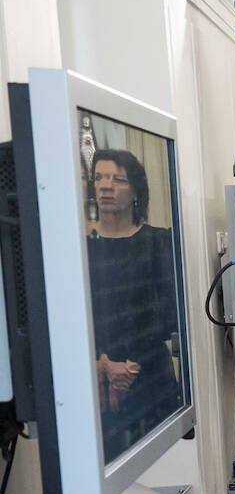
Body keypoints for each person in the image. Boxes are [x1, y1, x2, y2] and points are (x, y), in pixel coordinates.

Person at [85, 146, 182, 461]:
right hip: (96, 383)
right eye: (99, 177)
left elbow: (168, 316)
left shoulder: (158, 242)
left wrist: (128, 368)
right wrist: (103, 366)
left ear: (136, 191)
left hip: (150, 378)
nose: (105, 185)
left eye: (118, 179)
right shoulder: (81, 246)